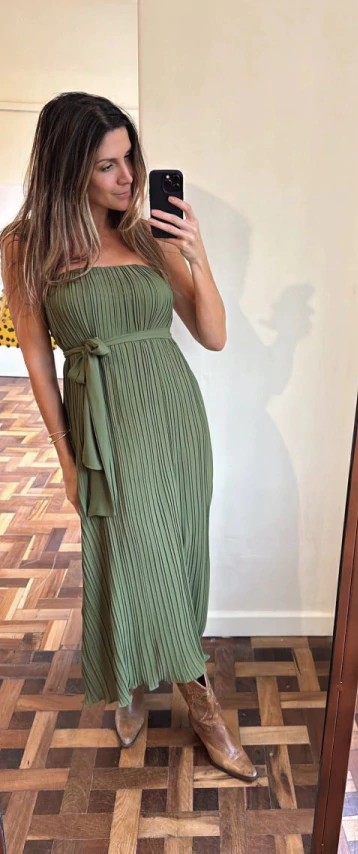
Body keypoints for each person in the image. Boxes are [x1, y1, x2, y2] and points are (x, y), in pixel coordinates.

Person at [0, 91, 258, 783]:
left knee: (178, 554)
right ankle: (200, 707)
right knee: (134, 557)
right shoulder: (25, 245)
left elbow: (212, 333)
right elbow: (37, 361)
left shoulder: (146, 236)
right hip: (106, 426)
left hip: (174, 419)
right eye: (107, 165)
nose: (129, 177)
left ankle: (144, 676)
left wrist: (195, 254)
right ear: (67, 168)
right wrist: (65, 457)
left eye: (130, 159)